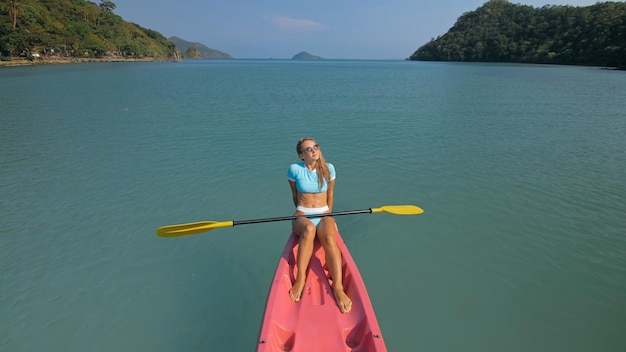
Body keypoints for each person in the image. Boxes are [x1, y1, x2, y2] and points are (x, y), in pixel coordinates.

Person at [287, 137, 352, 314]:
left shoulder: (328, 168)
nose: (314, 150)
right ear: (301, 155)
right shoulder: (294, 169)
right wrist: (302, 214)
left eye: (316, 146)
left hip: (324, 213)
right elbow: (295, 196)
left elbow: (330, 195)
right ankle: (301, 279)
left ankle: (338, 288)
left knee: (330, 238)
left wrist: (329, 217)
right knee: (309, 229)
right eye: (308, 149)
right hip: (302, 214)